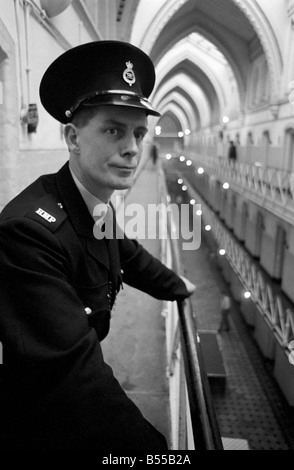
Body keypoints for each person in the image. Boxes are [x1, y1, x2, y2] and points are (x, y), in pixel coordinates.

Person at [0, 41, 195, 450]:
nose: (132, 148)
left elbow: (128, 253)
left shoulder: (92, 201)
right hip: (44, 420)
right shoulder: (28, 233)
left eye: (139, 133)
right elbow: (73, 378)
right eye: (113, 130)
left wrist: (176, 285)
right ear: (73, 137)